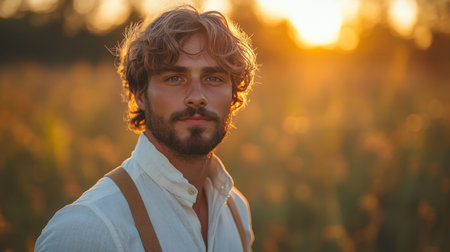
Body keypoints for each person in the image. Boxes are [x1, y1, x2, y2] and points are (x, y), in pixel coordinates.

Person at [35, 5, 257, 252]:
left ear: (234, 95)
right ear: (140, 94)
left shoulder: (236, 209)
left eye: (213, 78)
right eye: (174, 77)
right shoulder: (88, 228)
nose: (197, 97)